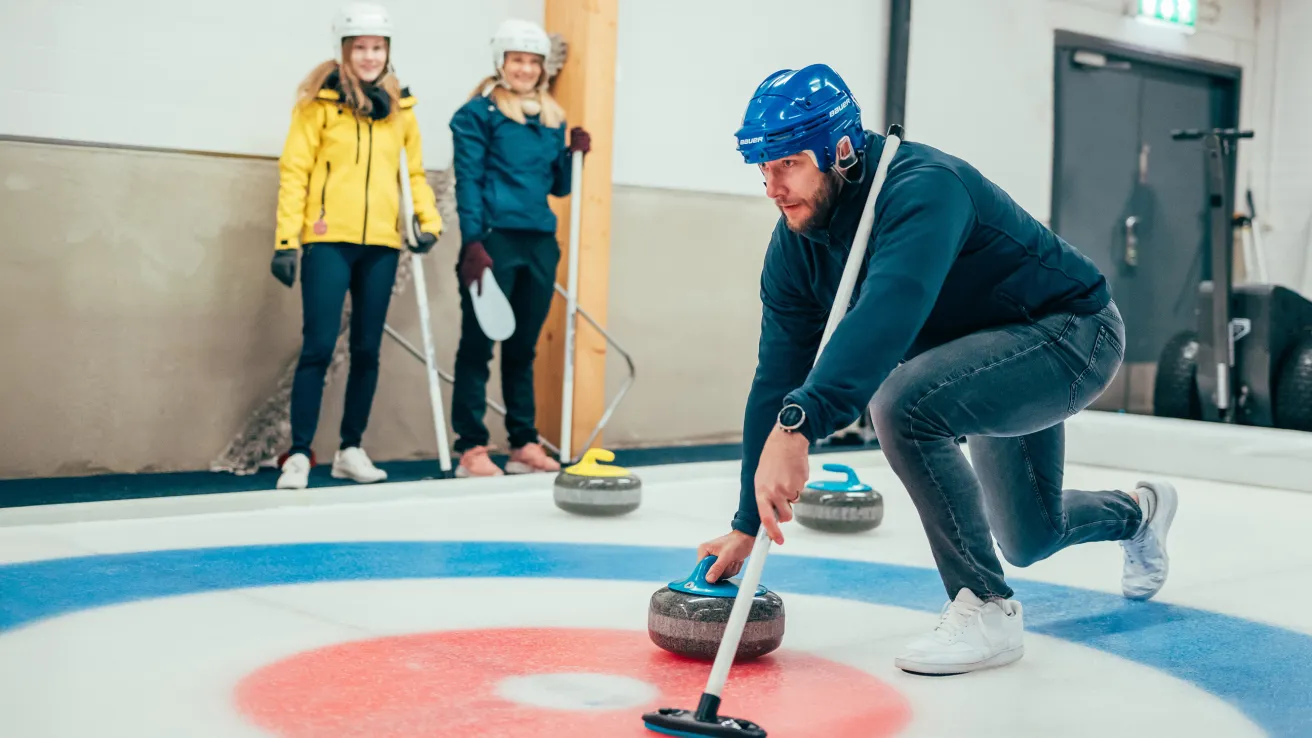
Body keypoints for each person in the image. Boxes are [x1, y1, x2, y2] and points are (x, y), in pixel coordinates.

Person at [696, 64, 1179, 676]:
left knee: (902, 403)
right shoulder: (798, 239)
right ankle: (1139, 512)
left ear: (839, 147)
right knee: (1029, 537)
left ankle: (986, 609)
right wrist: (745, 521)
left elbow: (888, 314)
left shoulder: (925, 188)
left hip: (1071, 334)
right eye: (763, 170)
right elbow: (777, 375)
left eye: (787, 164)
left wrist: (801, 424)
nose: (772, 187)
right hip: (981, 356)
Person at [271, 2, 443, 490]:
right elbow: (295, 170)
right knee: (319, 347)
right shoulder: (319, 104)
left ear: (388, 52)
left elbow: (412, 172)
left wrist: (428, 222)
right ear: (344, 51)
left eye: (378, 48)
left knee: (368, 349)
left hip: (381, 244)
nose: (370, 56)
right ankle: (300, 454)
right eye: (360, 48)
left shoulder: (401, 110)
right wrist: (287, 240)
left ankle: (351, 449)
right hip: (328, 240)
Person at [446, 19, 591, 478]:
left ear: (542, 68)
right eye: (517, 60)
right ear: (501, 63)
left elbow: (560, 188)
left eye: (533, 62)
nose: (525, 69)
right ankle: (471, 446)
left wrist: (573, 156)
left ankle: (523, 442)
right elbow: (467, 180)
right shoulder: (477, 115)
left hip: (538, 242)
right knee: (478, 344)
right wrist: (472, 242)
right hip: (493, 240)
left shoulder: (551, 118)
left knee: (522, 346)